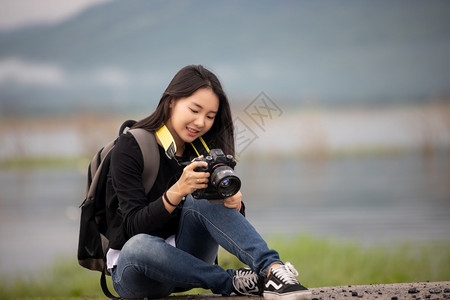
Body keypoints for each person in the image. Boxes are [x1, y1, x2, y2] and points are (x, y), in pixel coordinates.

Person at [106, 65, 311, 300]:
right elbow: (133, 227)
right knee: (139, 245)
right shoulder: (132, 146)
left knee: (204, 200)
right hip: (138, 273)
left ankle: (273, 272)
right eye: (194, 110)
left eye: (210, 116)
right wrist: (178, 191)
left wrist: (234, 204)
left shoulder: (204, 152)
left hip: (189, 258)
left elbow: (225, 227)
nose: (201, 122)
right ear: (171, 101)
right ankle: (230, 282)